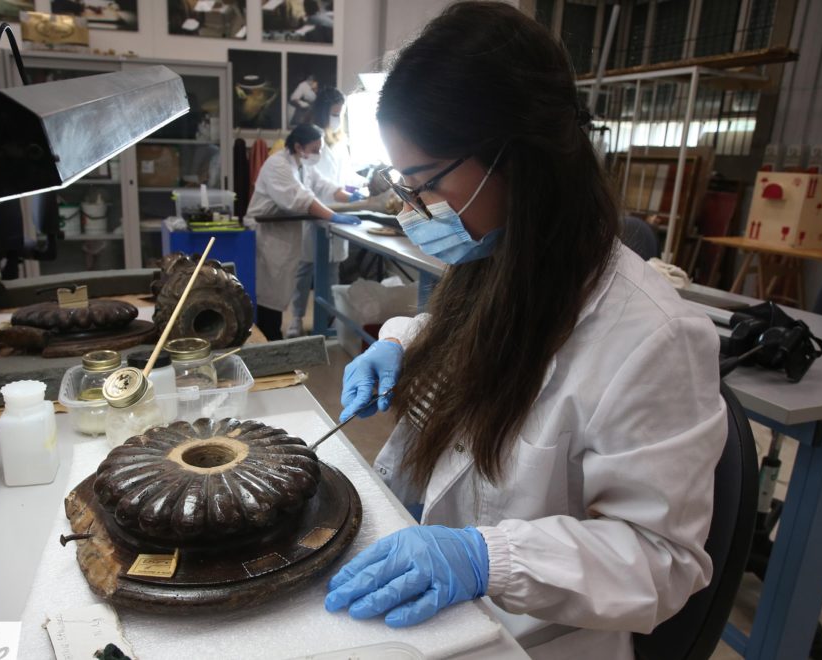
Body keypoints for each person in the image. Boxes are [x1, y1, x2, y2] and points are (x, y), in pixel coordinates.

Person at [324, 3, 726, 659]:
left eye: (424, 184)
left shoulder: (657, 338)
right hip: (445, 617)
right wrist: (398, 342)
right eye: (402, 185)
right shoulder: (500, 259)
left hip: (537, 640)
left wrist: (491, 559)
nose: (411, 210)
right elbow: (467, 331)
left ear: (515, 161)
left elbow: (663, 561)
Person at [247, 123, 361, 341]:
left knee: (277, 293)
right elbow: (301, 198)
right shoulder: (277, 165)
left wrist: (352, 197)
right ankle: (269, 340)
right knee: (267, 295)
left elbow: (324, 186)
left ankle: (273, 336)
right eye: (315, 149)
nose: (318, 154)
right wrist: (333, 216)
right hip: (269, 237)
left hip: (283, 236)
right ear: (299, 146)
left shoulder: (302, 165)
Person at [287, 88, 362, 338]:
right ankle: (296, 318)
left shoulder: (340, 141)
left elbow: (344, 174)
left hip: (337, 208)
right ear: (322, 112)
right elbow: (312, 179)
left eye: (341, 114)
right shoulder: (311, 138)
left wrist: (357, 188)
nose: (338, 119)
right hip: (314, 210)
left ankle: (328, 320)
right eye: (334, 114)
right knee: (305, 269)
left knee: (332, 270)